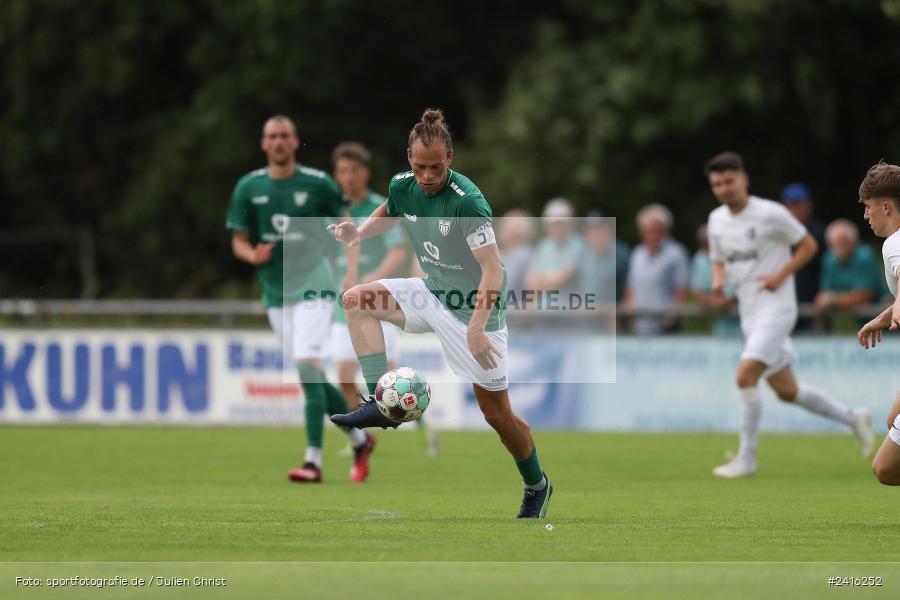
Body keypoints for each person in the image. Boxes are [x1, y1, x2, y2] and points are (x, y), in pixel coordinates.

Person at [328, 109, 552, 518]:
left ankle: (537, 484)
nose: (427, 176)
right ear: (409, 161)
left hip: (475, 315)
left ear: (450, 158)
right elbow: (390, 211)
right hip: (430, 293)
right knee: (356, 300)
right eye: (419, 168)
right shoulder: (402, 184)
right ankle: (381, 399)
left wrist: (477, 328)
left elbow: (493, 270)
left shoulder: (469, 203)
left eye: (435, 167)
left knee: (497, 415)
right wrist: (359, 232)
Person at [704, 151, 874, 478]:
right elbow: (717, 258)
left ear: (743, 180)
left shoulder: (770, 213)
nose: (723, 189)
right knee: (786, 390)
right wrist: (718, 281)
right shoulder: (716, 221)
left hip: (777, 308)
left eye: (728, 181)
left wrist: (782, 274)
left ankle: (747, 458)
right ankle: (854, 417)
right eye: (717, 184)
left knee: (745, 376)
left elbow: (809, 244)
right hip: (749, 312)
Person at [226, 115, 375, 484]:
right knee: (310, 375)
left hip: (315, 284)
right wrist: (251, 255)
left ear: (295, 143)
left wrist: (350, 273)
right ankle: (359, 438)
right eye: (272, 136)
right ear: (264, 144)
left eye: (285, 136)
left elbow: (347, 228)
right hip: (275, 293)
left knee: (307, 366)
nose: (278, 142)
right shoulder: (248, 187)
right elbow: (238, 240)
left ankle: (313, 461)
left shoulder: (318, 184)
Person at [329, 141, 439, 456]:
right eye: (342, 171)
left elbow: (397, 250)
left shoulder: (381, 204)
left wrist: (368, 281)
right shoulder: (336, 210)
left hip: (377, 303)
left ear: (365, 173)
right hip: (345, 307)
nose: (348, 177)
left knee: (390, 381)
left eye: (354, 170)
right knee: (345, 380)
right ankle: (362, 440)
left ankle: (422, 425)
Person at [855, 161, 900, 486]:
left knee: (885, 469)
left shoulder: (894, 244)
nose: (867, 215)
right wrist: (884, 317)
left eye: (869, 208)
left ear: (886, 206)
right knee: (893, 419)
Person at [622, 204, 689, 335]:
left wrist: (671, 318)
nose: (653, 234)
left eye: (657, 229)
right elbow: (630, 287)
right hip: (640, 326)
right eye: (649, 230)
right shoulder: (637, 254)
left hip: (666, 327)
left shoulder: (676, 253)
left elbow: (681, 288)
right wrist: (630, 315)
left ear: (665, 230)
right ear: (642, 231)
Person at [814, 218, 883, 328]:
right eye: (837, 243)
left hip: (879, 310)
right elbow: (823, 296)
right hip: (857, 319)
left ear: (855, 242)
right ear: (830, 244)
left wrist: (834, 299)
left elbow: (865, 296)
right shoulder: (828, 259)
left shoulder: (865, 256)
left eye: (845, 242)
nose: (841, 247)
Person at [781, 183, 826, 332]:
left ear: (808, 206)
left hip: (814, 309)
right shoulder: (777, 236)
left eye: (799, 205)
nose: (794, 210)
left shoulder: (821, 234)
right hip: (783, 308)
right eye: (791, 206)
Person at [578, 210, 628, 328]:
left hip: (612, 323)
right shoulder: (582, 255)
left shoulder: (621, 255)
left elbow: (629, 290)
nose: (596, 234)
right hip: (585, 323)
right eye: (592, 229)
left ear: (608, 230)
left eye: (600, 229)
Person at [690, 223, 740, 336]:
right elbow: (698, 290)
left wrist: (727, 301)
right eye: (704, 245)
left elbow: (746, 286)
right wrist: (712, 303)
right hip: (720, 328)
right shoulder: (700, 259)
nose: (707, 250)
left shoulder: (738, 255)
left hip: (746, 324)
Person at [496, 208, 534, 306]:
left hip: (516, 316)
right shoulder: (505, 254)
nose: (501, 231)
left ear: (517, 233)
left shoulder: (524, 256)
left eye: (505, 228)